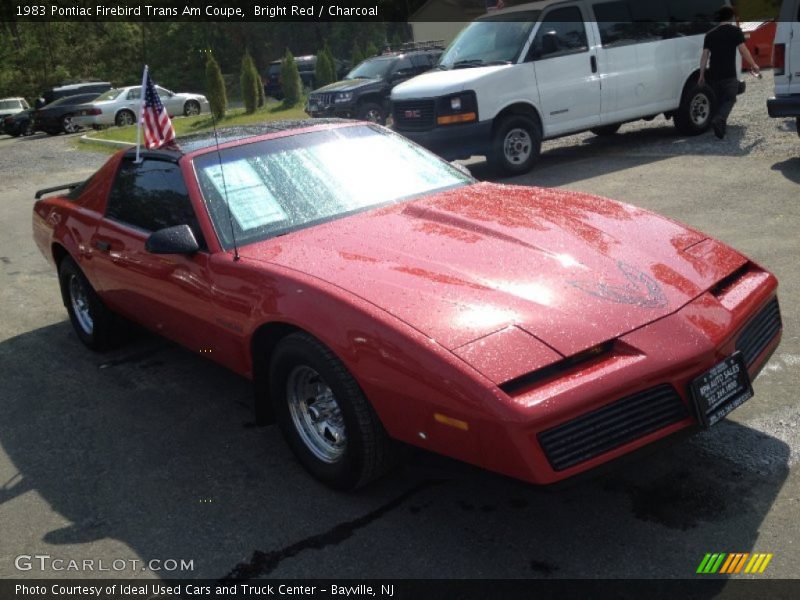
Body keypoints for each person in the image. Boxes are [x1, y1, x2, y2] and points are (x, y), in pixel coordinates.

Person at [698, 6, 760, 139]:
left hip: (713, 74)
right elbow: (743, 50)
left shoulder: (710, 34)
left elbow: (704, 56)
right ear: (731, 17)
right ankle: (719, 119)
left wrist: (702, 74)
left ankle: (721, 131)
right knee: (730, 99)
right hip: (729, 74)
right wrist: (753, 64)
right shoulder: (735, 31)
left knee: (720, 101)